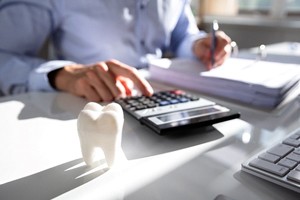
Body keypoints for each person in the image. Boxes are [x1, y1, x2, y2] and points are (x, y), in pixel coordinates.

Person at [0, 0, 232, 102]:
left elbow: (181, 36)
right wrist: (61, 74)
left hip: (164, 99)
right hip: (85, 105)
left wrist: (197, 45)